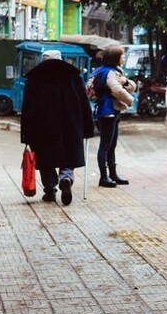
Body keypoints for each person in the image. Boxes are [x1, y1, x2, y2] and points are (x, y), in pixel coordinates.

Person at [21, 49, 94, 205]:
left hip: (43, 126)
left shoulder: (34, 77)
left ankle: (50, 190)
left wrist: (26, 133)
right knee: (68, 154)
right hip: (71, 123)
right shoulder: (74, 76)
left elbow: (27, 107)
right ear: (61, 59)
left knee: (45, 158)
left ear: (43, 59)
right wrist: (88, 127)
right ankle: (66, 177)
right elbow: (84, 103)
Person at [89, 45, 136, 188]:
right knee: (106, 144)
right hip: (107, 110)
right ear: (116, 58)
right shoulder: (110, 73)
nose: (124, 58)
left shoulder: (104, 71)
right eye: (122, 56)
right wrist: (130, 101)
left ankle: (112, 174)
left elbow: (130, 86)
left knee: (112, 144)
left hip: (109, 110)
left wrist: (126, 82)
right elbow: (117, 90)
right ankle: (104, 177)